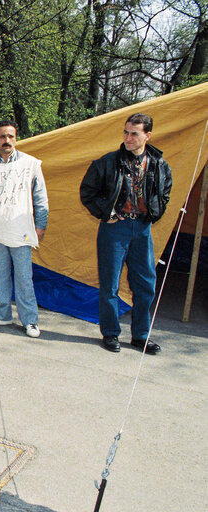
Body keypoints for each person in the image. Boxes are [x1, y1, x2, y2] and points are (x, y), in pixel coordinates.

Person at [80, 113, 172, 355]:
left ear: (147, 135)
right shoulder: (108, 162)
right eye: (126, 132)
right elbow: (87, 191)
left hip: (142, 228)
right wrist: (105, 213)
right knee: (110, 284)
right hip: (114, 229)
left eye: (134, 133)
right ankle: (110, 333)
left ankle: (141, 336)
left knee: (145, 285)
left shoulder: (159, 164)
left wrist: (153, 214)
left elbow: (164, 194)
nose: (128, 138)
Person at [0, 120, 49, 338]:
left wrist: (40, 225)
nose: (7, 141)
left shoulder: (31, 164)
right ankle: (3, 313)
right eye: (3, 137)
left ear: (16, 138)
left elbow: (40, 198)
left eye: (11, 136)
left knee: (24, 277)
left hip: (21, 231)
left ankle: (30, 320)